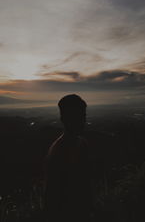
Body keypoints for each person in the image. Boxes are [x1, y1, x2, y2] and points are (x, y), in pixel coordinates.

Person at [44, 94, 92, 222]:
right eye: (78, 117)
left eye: (84, 116)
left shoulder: (82, 144)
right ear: (64, 119)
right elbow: (53, 198)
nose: (83, 121)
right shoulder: (58, 151)